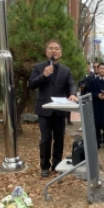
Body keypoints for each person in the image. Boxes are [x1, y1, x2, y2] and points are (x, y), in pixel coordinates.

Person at [28, 40, 78, 177]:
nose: (53, 51)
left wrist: (73, 94)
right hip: (44, 110)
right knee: (45, 139)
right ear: (46, 52)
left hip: (60, 110)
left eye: (56, 49)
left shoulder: (66, 70)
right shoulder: (39, 67)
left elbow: (71, 85)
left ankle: (56, 164)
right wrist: (43, 75)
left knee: (59, 138)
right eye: (50, 48)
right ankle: (44, 165)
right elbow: (31, 84)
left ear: (60, 52)